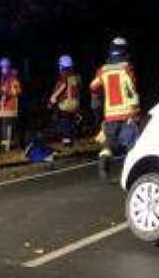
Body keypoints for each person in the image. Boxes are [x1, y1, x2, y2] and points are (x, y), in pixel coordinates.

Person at [90, 37, 140, 179]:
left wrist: (97, 104)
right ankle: (131, 175)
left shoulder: (103, 70)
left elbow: (93, 86)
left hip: (110, 116)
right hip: (126, 114)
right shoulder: (127, 69)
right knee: (132, 145)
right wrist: (135, 111)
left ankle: (103, 165)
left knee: (109, 145)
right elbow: (132, 91)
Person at [47, 55, 82, 146]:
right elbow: (76, 90)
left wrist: (52, 100)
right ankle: (71, 136)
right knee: (69, 119)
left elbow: (63, 87)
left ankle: (66, 139)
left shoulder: (65, 76)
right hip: (75, 103)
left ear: (61, 66)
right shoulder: (75, 76)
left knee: (61, 118)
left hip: (66, 103)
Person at [0, 57, 22, 151]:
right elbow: (2, 91)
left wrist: (6, 94)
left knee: (8, 124)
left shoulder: (13, 78)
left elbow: (17, 91)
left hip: (10, 105)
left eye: (2, 67)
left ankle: (7, 145)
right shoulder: (4, 78)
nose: (1, 70)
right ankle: (4, 144)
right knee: (3, 124)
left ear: (6, 67)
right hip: (3, 106)